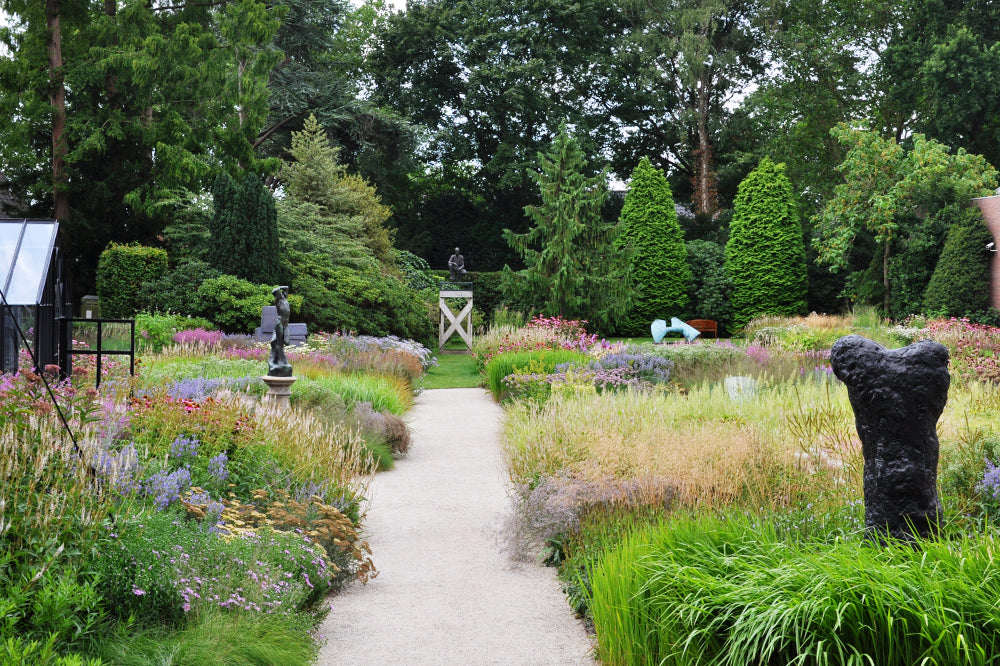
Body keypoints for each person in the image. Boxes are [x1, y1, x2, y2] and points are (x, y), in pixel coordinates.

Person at [267, 286, 293, 376]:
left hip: (286, 324)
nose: (280, 292)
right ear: (277, 294)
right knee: (278, 343)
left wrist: (280, 287)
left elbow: (286, 288)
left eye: (280, 292)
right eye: (278, 292)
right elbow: (274, 290)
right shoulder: (278, 300)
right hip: (280, 323)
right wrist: (277, 289)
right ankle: (275, 361)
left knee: (286, 342)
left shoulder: (284, 297)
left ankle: (281, 360)